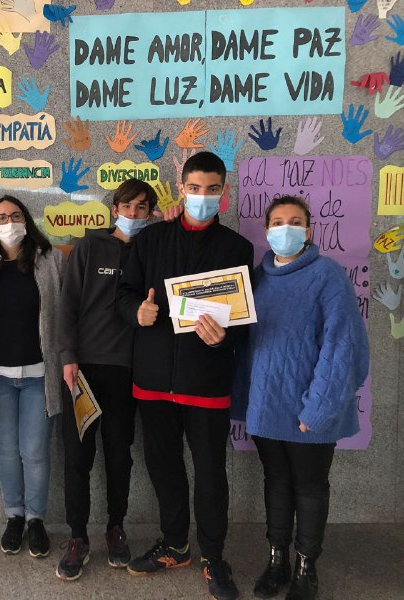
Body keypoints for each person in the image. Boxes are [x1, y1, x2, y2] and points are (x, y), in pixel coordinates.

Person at [115, 151, 253, 600]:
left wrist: (224, 337)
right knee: (164, 467)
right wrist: (136, 312)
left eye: (211, 189)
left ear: (224, 193)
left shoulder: (237, 248)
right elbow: (123, 293)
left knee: (211, 473)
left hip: (206, 384)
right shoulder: (151, 240)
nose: (202, 197)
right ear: (181, 188)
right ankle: (175, 545)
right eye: (194, 188)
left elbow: (244, 321)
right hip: (153, 380)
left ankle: (214, 556)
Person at [234, 196, 368, 600]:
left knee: (309, 486)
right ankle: (277, 560)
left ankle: (306, 568)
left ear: (308, 231)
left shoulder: (328, 275)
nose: (286, 228)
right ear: (266, 230)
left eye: (295, 221)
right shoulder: (256, 279)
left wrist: (319, 409)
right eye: (278, 222)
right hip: (267, 406)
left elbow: (342, 347)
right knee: (276, 482)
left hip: (311, 409)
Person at [54, 179, 158, 580]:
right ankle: (78, 537)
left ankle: (116, 529)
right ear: (115, 209)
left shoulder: (152, 251)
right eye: (127, 206)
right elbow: (67, 305)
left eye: (142, 208)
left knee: (119, 455)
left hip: (128, 370)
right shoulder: (89, 247)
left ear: (150, 213)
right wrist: (68, 357)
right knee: (77, 458)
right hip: (82, 370)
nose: (133, 214)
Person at [0, 195, 64, 559]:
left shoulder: (50, 260)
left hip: (40, 375)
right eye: (1, 217)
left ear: (27, 220)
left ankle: (36, 519)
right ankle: (14, 516)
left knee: (35, 452)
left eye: (15, 215)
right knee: (7, 452)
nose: (9, 223)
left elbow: (66, 311)